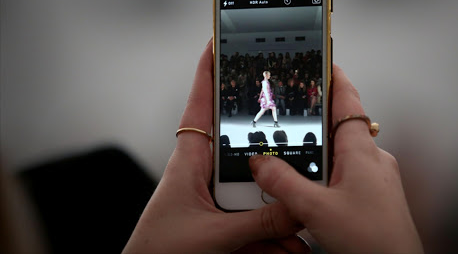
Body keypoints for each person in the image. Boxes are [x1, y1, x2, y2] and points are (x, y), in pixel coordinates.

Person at [123, 39, 423, 253]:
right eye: (266, 75)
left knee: (271, 114)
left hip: (267, 100)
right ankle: (262, 122)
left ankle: (265, 122)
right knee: (266, 112)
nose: (267, 76)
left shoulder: (268, 82)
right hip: (264, 100)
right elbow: (264, 88)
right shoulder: (265, 84)